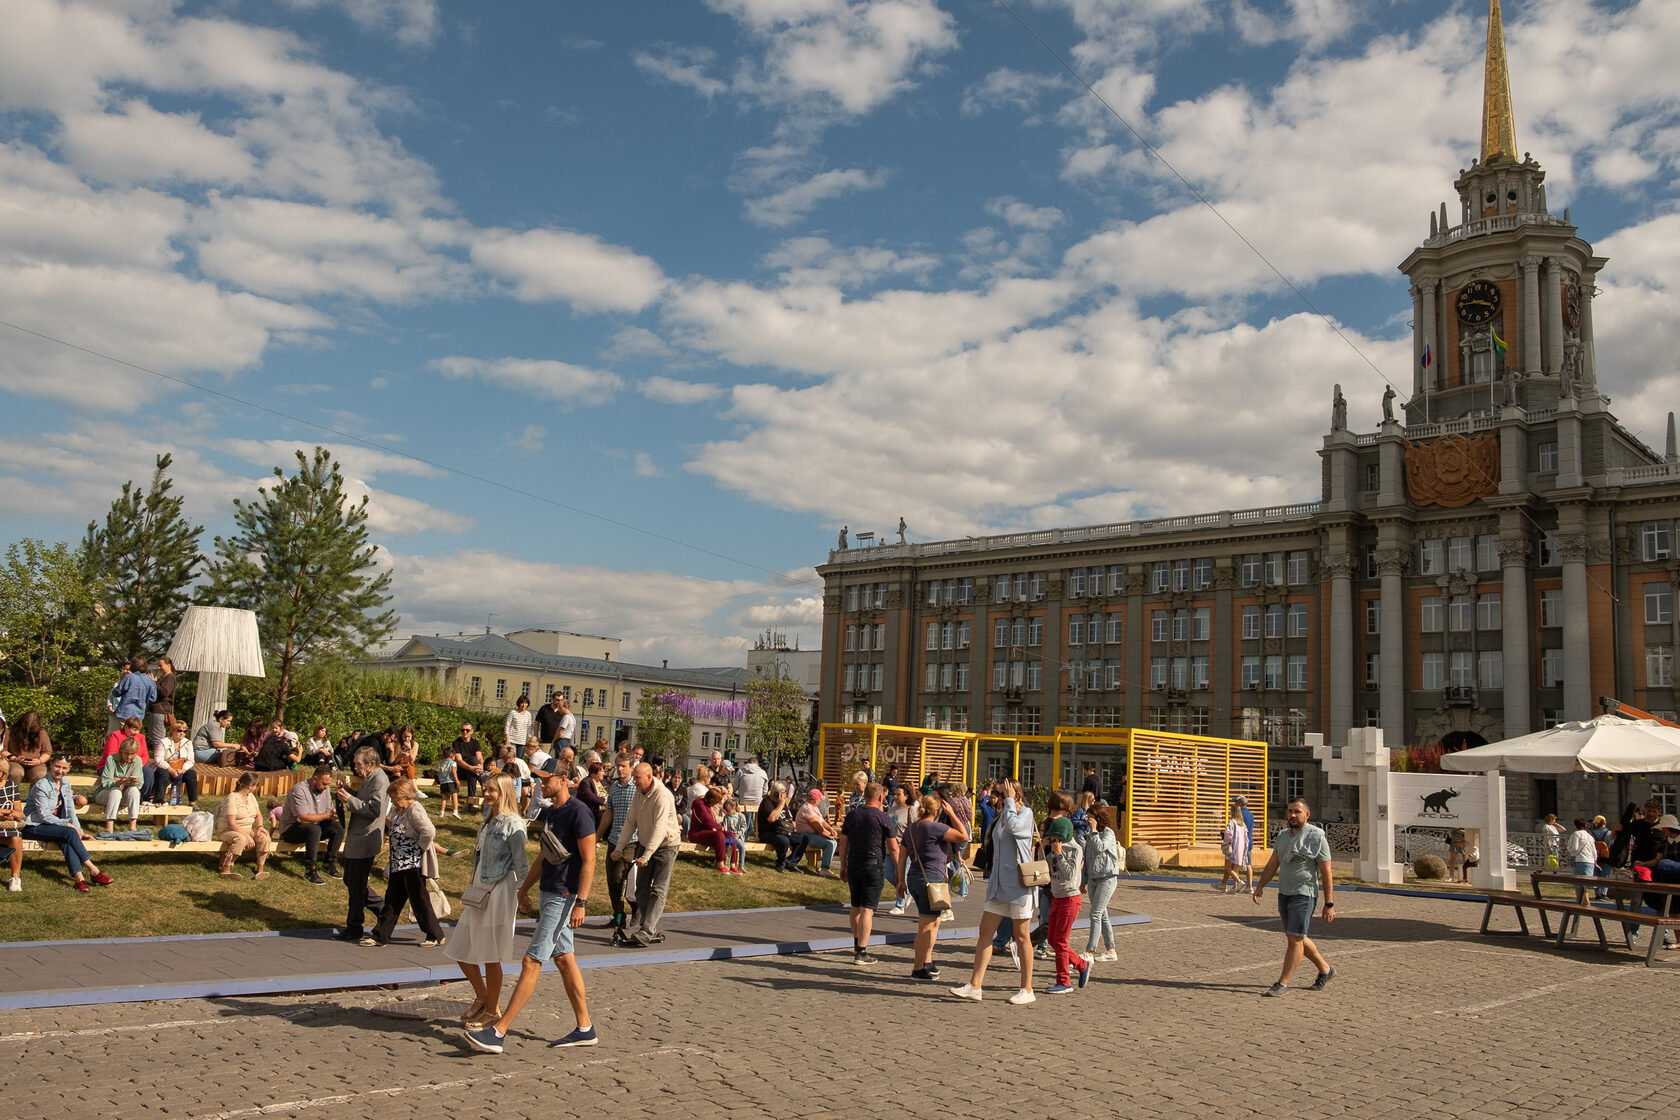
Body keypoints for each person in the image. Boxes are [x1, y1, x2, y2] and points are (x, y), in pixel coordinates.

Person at [467, 759, 599, 1052]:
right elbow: (542, 856)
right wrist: (524, 889)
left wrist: (582, 902)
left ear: (564, 780)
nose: (540, 783)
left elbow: (589, 860)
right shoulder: (552, 812)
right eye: (539, 779)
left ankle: (498, 1032)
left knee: (531, 961)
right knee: (564, 959)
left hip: (565, 896)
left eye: (546, 778)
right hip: (549, 892)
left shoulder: (580, 813)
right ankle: (585, 1028)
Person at [445, 774, 529, 1030]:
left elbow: (521, 864)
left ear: (504, 792)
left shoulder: (514, 824)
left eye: (491, 789)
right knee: (460, 949)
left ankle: (492, 1011)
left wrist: (523, 893)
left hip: (501, 891)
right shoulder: (487, 818)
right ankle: (482, 995)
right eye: (486, 787)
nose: (486, 791)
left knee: (491, 955)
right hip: (480, 888)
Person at [951, 779, 1036, 1005]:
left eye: (1001, 793)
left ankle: (1027, 988)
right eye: (996, 793)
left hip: (1018, 885)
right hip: (999, 885)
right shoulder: (1001, 817)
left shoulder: (1025, 813)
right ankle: (975, 985)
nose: (995, 797)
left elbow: (1018, 830)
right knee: (985, 932)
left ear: (1015, 795)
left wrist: (1009, 802)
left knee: (1022, 936)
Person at [1252, 797, 1335, 996]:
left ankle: (1282, 983)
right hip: (1285, 893)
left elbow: (1326, 872)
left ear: (1307, 815)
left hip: (1304, 894)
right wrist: (1260, 885)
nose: (1292, 815)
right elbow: (1273, 863)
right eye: (1289, 811)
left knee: (1294, 939)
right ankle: (1326, 970)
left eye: (1297, 811)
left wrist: (1329, 903)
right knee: (1297, 936)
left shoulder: (1316, 837)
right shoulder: (1282, 836)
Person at [896, 791, 969, 980]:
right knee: (926, 926)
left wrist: (900, 881)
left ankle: (926, 961)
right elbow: (964, 836)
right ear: (936, 811)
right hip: (932, 881)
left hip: (914, 878)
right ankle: (918, 968)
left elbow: (902, 856)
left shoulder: (911, 829)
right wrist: (952, 814)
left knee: (934, 922)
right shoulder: (936, 827)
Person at [367, 778, 445, 948]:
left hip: (412, 865)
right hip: (398, 864)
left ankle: (435, 935)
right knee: (392, 900)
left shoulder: (414, 809)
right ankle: (380, 936)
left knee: (419, 900)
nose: (392, 800)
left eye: (394, 797)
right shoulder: (397, 811)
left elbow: (429, 831)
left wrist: (419, 848)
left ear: (403, 795)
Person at [612, 762, 682, 948]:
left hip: (667, 845)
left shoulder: (663, 796)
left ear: (650, 777)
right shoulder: (638, 794)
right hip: (645, 844)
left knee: (658, 889)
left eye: (637, 778)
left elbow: (659, 828)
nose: (634, 781)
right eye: (633, 777)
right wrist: (619, 847)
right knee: (640, 889)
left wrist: (647, 854)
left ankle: (647, 930)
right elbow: (630, 822)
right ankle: (646, 928)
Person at [23, 756, 113, 891]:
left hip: (53, 827)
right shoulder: (42, 785)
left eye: (64, 768)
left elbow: (71, 812)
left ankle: (79, 879)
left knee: (67, 838)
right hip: (33, 825)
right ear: (51, 765)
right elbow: (44, 816)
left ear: (69, 769)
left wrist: (80, 833)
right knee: (68, 832)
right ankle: (94, 870)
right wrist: (68, 825)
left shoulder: (65, 783)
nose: (60, 771)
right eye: (57, 766)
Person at [837, 781, 899, 965]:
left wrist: (843, 865)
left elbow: (843, 843)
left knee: (855, 906)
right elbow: (893, 848)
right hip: (874, 863)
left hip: (854, 862)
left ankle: (856, 945)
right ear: (881, 797)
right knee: (867, 909)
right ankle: (862, 952)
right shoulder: (882, 817)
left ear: (865, 796)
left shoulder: (852, 815)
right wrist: (898, 870)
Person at [333, 746, 389, 943]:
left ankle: (355, 926)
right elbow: (364, 798)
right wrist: (349, 791)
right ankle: (384, 910)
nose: (355, 767)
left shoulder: (380, 780)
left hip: (366, 839)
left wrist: (349, 800)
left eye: (358, 764)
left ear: (371, 764)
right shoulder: (371, 777)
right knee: (352, 881)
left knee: (356, 886)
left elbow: (374, 809)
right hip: (359, 838)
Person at [1042, 790, 1092, 994]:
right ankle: (1081, 964)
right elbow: (1048, 868)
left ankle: (1064, 981)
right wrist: (1043, 849)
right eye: (1052, 838)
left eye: (1056, 838)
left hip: (1070, 898)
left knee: (1061, 941)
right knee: (1053, 939)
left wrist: (1059, 855)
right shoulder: (1053, 846)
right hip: (1057, 895)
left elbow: (1071, 873)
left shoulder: (1074, 849)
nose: (1055, 841)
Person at [596, 753, 639, 944]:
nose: (620, 769)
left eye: (623, 766)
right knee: (611, 881)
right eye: (617, 766)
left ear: (631, 768)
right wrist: (598, 835)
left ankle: (636, 909)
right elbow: (608, 814)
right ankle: (618, 916)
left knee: (619, 877)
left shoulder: (636, 789)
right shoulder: (613, 788)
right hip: (614, 839)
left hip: (632, 841)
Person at [277, 765, 342, 885]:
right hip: (291, 830)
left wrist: (335, 813)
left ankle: (329, 864)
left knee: (338, 827)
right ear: (314, 779)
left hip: (314, 826)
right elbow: (303, 818)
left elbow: (329, 809)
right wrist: (328, 815)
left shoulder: (325, 790)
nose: (326, 787)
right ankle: (310, 870)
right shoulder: (299, 790)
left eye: (328, 784)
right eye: (324, 784)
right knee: (314, 828)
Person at [214, 771, 271, 879]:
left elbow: (258, 814)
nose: (257, 787)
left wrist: (260, 826)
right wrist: (248, 837)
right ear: (250, 785)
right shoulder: (232, 798)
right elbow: (231, 823)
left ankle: (260, 870)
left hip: (247, 828)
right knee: (241, 839)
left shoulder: (251, 796)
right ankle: (226, 868)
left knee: (264, 837)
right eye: (257, 784)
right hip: (228, 830)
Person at [1083, 804, 1121, 962]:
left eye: (1090, 816)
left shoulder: (1108, 833)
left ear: (1097, 818)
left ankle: (1089, 951)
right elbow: (1087, 857)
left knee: (1095, 914)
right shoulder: (1090, 834)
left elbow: (1099, 848)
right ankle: (1111, 950)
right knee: (1103, 914)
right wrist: (1083, 881)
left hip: (1107, 877)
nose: (1087, 819)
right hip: (1093, 877)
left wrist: (1093, 830)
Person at [95, 734, 145, 832]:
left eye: (132, 754)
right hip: (106, 794)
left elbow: (140, 783)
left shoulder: (137, 760)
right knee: (116, 792)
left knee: (134, 790)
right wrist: (119, 782)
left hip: (125, 795)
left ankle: (133, 826)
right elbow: (106, 782)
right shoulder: (111, 759)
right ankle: (109, 827)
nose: (129, 756)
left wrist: (133, 782)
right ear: (121, 750)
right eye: (126, 753)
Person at [790, 788, 840, 878]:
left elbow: (822, 821)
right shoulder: (807, 808)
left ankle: (824, 867)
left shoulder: (814, 807)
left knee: (833, 842)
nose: (820, 800)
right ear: (815, 799)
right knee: (830, 843)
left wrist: (831, 829)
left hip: (812, 834)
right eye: (819, 798)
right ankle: (824, 869)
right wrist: (829, 834)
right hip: (805, 835)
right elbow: (818, 828)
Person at [152, 720, 199, 808]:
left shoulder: (188, 743)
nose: (182, 733)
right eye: (179, 730)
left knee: (192, 774)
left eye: (184, 731)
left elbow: (191, 760)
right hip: (166, 768)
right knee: (163, 774)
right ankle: (159, 800)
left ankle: (192, 802)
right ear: (172, 731)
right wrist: (170, 769)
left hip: (180, 769)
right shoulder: (163, 742)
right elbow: (158, 759)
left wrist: (183, 770)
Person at [107, 655, 156, 736]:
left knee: (122, 737)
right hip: (139, 714)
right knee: (134, 738)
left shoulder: (129, 678)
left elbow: (116, 693)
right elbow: (152, 699)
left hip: (124, 713)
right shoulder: (150, 681)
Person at [4, 709, 52, 787]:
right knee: (15, 773)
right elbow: (3, 751)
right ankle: (11, 797)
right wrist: (15, 759)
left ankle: (34, 798)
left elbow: (47, 752)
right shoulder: (9, 731)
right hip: (15, 762)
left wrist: (39, 761)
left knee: (40, 774)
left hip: (36, 763)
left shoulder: (42, 733)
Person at [689, 786, 730, 874]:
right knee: (719, 835)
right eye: (715, 802)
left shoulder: (707, 805)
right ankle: (720, 864)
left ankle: (731, 864)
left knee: (730, 835)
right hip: (696, 833)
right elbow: (708, 822)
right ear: (711, 800)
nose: (715, 804)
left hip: (708, 832)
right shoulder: (699, 804)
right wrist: (721, 828)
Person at [885, 784, 914, 914]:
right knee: (889, 874)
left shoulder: (911, 809)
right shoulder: (892, 809)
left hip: (904, 848)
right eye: (895, 794)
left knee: (902, 875)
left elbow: (914, 829)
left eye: (899, 794)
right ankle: (908, 893)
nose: (895, 796)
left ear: (906, 796)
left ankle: (900, 905)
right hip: (889, 847)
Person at [759, 784, 797, 872]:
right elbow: (771, 819)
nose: (785, 795)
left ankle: (791, 863)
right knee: (784, 841)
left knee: (802, 839)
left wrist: (792, 824)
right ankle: (781, 864)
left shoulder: (782, 802)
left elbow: (790, 818)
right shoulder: (766, 802)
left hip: (783, 831)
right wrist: (781, 804)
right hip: (768, 833)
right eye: (783, 793)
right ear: (776, 793)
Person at [146, 656, 177, 755]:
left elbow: (164, 692)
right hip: (158, 710)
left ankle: (159, 763)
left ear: (169, 665)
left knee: (158, 740)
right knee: (157, 738)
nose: (159, 668)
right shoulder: (165, 677)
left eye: (161, 665)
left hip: (160, 711)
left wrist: (154, 683)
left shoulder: (169, 677)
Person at [732, 754, 768, 834]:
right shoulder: (763, 772)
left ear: (747, 763)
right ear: (757, 764)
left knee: (746, 822)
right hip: (758, 802)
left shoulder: (741, 770)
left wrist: (741, 792)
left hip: (743, 801)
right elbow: (765, 791)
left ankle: (742, 837)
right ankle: (748, 833)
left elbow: (734, 788)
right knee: (749, 825)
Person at [1220, 802, 1251, 893]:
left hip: (1232, 848)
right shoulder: (1243, 824)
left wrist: (1225, 842)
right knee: (1235, 868)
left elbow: (1229, 835)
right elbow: (1246, 838)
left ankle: (1239, 882)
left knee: (1228, 867)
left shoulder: (1232, 822)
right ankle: (1235, 887)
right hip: (1240, 849)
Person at [451, 723, 485, 804]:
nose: (465, 732)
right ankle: (483, 783)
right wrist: (472, 768)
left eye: (467, 730)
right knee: (473, 760)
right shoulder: (456, 743)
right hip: (461, 770)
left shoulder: (475, 742)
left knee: (473, 773)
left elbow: (480, 758)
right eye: (463, 730)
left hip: (473, 770)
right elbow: (459, 761)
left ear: (471, 732)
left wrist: (481, 766)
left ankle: (471, 800)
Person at [1, 770, 23, 892]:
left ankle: (15, 878)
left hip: (5, 826)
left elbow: (20, 814)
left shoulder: (11, 786)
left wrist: (8, 813)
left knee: (16, 837)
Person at [1590, 814, 1615, 898]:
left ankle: (1597, 893)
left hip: (1595, 857)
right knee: (1606, 876)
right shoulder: (1609, 833)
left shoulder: (1592, 833)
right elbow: (1612, 845)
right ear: (1605, 823)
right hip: (1606, 857)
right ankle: (1603, 893)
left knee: (1597, 875)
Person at [721, 797, 748, 873]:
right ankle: (727, 864)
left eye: (728, 810)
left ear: (733, 808)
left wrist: (738, 835)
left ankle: (741, 865)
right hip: (728, 836)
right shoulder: (726, 817)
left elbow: (744, 827)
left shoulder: (741, 816)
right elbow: (724, 825)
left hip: (737, 836)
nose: (727, 812)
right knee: (728, 847)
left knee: (742, 847)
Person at [504, 695, 533, 762]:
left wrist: (529, 739)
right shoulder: (513, 712)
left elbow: (529, 727)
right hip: (512, 739)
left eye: (526, 703)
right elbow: (507, 725)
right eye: (522, 703)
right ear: (519, 703)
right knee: (510, 758)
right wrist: (507, 738)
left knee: (519, 759)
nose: (524, 705)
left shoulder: (528, 714)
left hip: (522, 741)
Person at [576, 758, 606, 822]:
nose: (604, 774)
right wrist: (604, 801)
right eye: (602, 771)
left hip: (604, 811)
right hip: (590, 813)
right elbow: (590, 796)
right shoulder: (586, 782)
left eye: (604, 771)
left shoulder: (604, 782)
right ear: (594, 773)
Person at [437, 747, 461, 820]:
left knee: (444, 798)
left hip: (443, 783)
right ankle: (455, 811)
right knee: (454, 796)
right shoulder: (453, 763)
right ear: (452, 755)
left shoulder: (441, 764)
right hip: (451, 781)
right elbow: (453, 772)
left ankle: (441, 812)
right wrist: (457, 781)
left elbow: (439, 773)